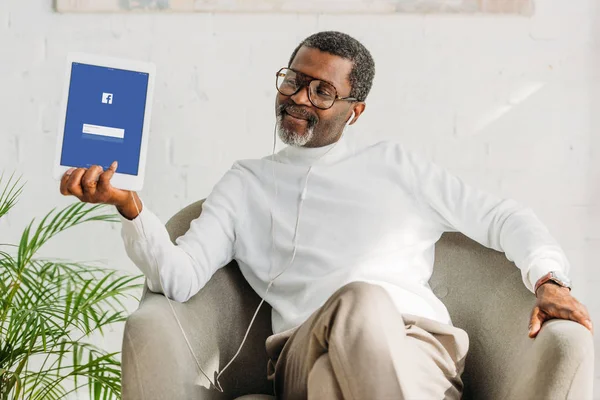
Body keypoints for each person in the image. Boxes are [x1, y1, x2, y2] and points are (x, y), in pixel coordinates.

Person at [60, 31, 592, 399]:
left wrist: (547, 278)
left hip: (417, 355)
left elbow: (502, 217)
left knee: (329, 386)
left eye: (323, 91)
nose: (299, 99)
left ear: (354, 110)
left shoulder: (395, 166)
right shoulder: (246, 182)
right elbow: (177, 279)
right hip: (297, 350)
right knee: (357, 301)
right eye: (293, 80)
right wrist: (130, 208)